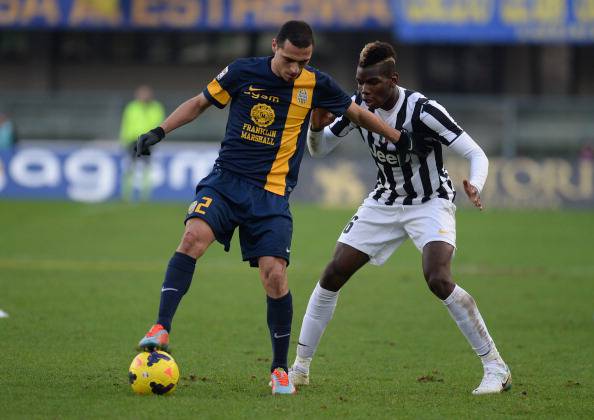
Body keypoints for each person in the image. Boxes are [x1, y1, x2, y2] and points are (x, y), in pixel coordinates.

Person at [133, 22, 427, 395]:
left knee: (275, 277)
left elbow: (356, 113)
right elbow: (198, 103)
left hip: (271, 196)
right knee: (192, 237)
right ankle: (161, 326)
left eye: (302, 61)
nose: (294, 69)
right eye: (289, 59)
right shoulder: (242, 71)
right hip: (226, 182)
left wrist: (398, 137)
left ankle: (278, 370)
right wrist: (158, 132)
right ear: (274, 46)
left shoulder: (315, 83)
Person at [289, 41, 511, 395]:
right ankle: (299, 368)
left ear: (393, 78)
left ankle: (495, 368)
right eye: (360, 82)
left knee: (437, 278)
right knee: (332, 274)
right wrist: (315, 127)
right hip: (384, 202)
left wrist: (476, 184)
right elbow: (318, 150)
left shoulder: (423, 110)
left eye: (373, 82)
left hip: (430, 202)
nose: (364, 90)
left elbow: (475, 152)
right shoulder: (358, 105)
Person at [119, 85, 165, 201]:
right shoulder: (132, 107)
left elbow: (159, 123)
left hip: (147, 140)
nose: (143, 96)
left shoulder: (156, 107)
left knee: (146, 167)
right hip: (131, 140)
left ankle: (145, 196)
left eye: (146, 94)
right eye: (141, 93)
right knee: (130, 167)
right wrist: (123, 140)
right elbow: (125, 123)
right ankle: (126, 195)